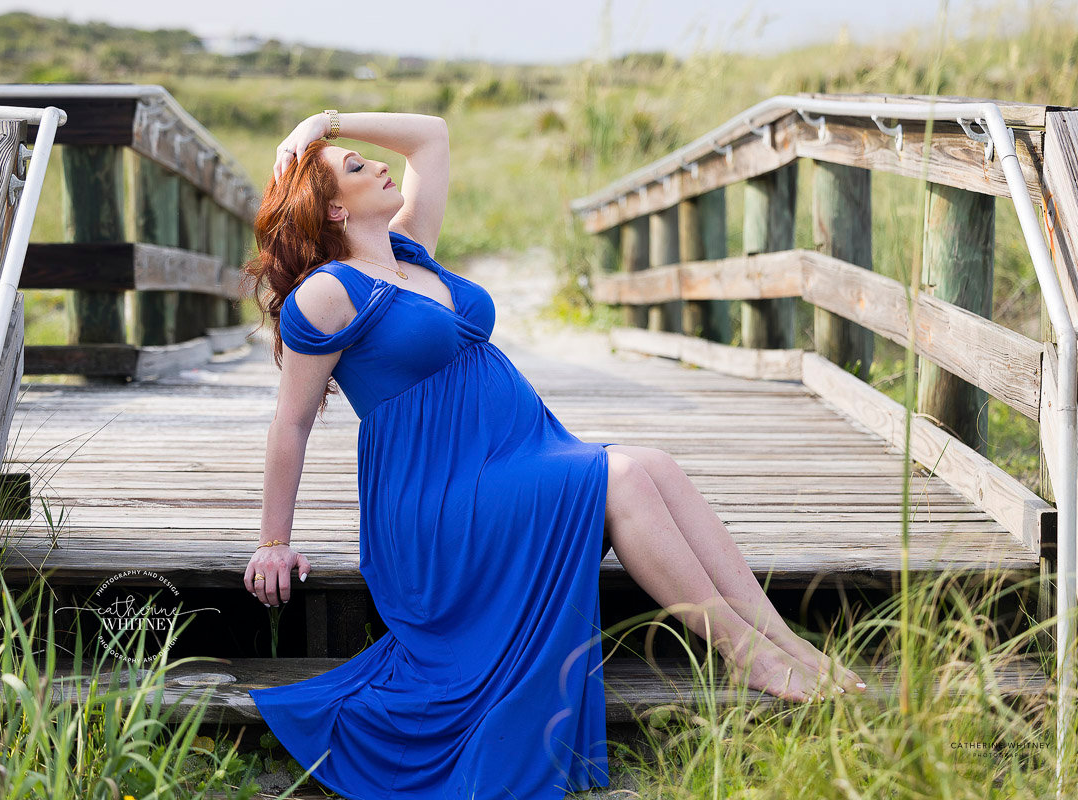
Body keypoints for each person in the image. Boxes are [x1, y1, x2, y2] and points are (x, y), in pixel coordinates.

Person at [241, 110, 866, 800]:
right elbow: (290, 425)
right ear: (331, 208)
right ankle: (746, 657)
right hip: (442, 501)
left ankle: (780, 640)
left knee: (653, 462)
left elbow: (433, 135)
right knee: (622, 476)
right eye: (357, 168)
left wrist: (323, 124)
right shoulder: (328, 294)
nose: (380, 164)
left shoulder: (409, 249)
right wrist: (274, 540)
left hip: (513, 458)